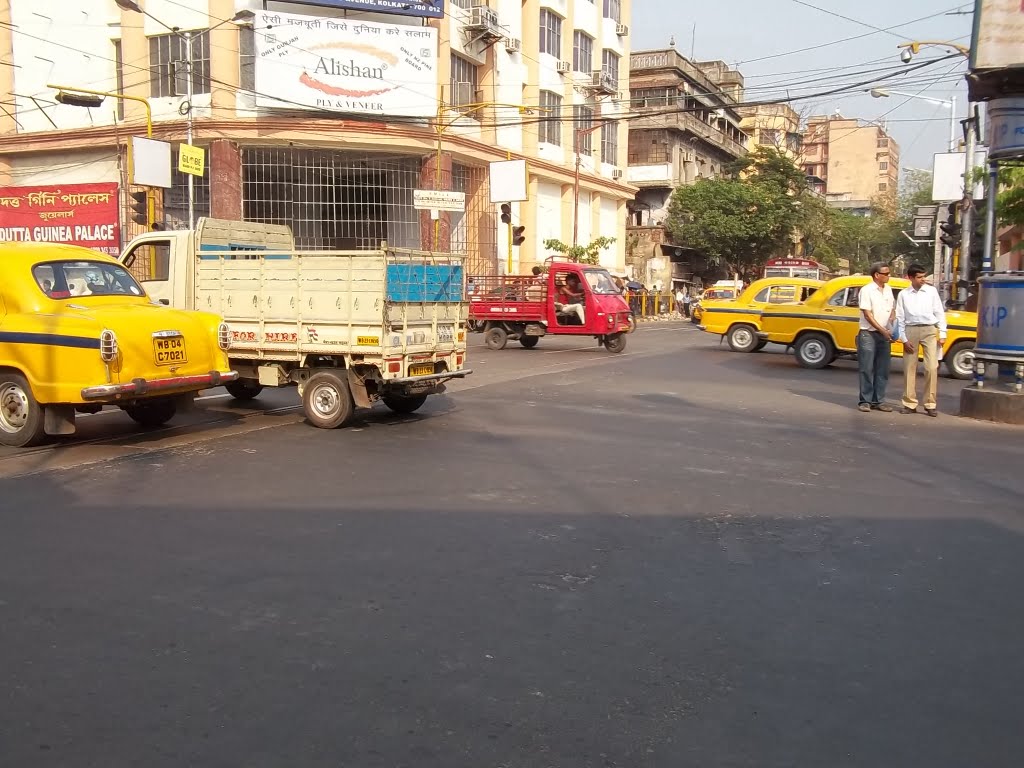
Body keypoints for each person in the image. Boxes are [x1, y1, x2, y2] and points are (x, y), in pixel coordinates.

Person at [896, 263, 946, 417]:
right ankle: (909, 403)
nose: (923, 279)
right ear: (910, 278)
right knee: (909, 368)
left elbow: (939, 311)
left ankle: (930, 404)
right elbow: (900, 317)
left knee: (931, 367)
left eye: (924, 276)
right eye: (919, 277)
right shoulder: (903, 294)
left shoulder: (931, 292)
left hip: (929, 330)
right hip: (910, 331)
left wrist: (942, 333)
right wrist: (904, 339)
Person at [857, 262, 896, 413]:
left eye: (889, 273)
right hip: (869, 333)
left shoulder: (888, 290)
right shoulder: (867, 290)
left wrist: (892, 325)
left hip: (884, 333)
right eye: (886, 274)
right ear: (877, 275)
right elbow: (867, 314)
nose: (888, 276)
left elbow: (891, 308)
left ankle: (878, 400)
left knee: (883, 369)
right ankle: (864, 400)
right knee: (866, 368)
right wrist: (882, 330)